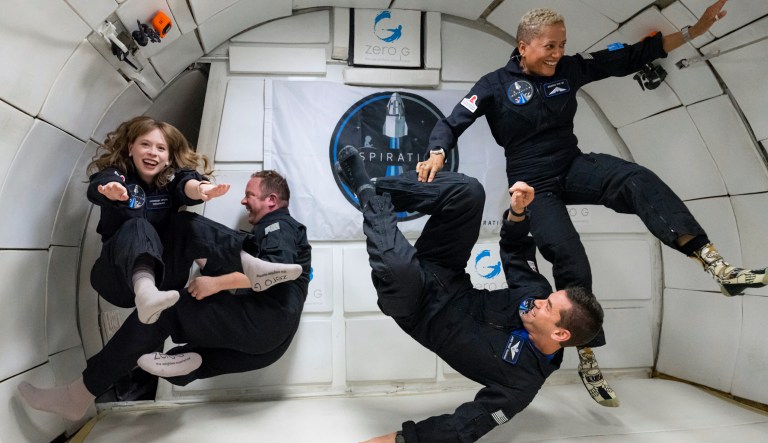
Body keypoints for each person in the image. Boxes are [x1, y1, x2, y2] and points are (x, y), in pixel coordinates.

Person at [416, 0, 763, 406]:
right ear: (523, 46)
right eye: (549, 46)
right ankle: (586, 353)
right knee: (570, 259)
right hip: (534, 185)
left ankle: (713, 263)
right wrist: (437, 151)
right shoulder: (493, 85)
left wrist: (695, 30)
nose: (558, 54)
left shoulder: (570, 69)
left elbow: (633, 56)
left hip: (573, 165)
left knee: (636, 178)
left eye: (562, 45)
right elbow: (453, 120)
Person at [335, 147, 604, 443]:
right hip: (446, 271)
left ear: (561, 334)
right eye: (547, 298)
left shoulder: (519, 385)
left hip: (416, 308)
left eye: (548, 307)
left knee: (398, 266)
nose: (540, 300)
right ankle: (376, 188)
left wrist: (398, 440)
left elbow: (461, 428)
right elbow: (515, 251)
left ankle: (365, 189)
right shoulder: (535, 295)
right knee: (470, 192)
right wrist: (518, 214)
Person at [18, 170, 311, 421]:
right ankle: (183, 363)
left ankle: (78, 394)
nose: (244, 200)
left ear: (272, 200)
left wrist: (217, 283)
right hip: (271, 344)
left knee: (165, 310)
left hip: (268, 318)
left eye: (250, 194)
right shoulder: (268, 235)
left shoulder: (279, 225)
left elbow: (275, 270)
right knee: (185, 361)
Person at [86, 116, 295, 324]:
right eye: (145, 145)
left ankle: (253, 263)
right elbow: (101, 184)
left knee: (184, 222)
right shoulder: (117, 176)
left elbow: (186, 183)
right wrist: (109, 191)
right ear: (131, 148)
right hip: (119, 277)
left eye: (161, 148)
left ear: (168, 157)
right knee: (138, 225)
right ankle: (145, 292)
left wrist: (203, 189)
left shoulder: (168, 180)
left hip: (165, 276)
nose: (152, 152)